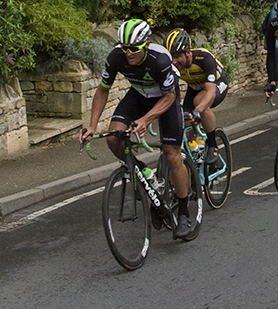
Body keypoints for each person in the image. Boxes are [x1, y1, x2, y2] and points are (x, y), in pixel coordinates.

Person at [80, 19, 193, 240]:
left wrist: (146, 120)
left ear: (146, 44)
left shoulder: (160, 60)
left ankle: (185, 213)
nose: (128, 53)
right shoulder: (116, 57)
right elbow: (103, 90)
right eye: (124, 48)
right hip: (139, 95)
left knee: (171, 155)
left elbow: (170, 96)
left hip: (164, 99)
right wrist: (92, 126)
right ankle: (143, 172)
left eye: (133, 48)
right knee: (114, 138)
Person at [165, 29, 228, 167]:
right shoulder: (172, 65)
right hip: (194, 88)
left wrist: (198, 109)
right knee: (187, 126)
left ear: (188, 52)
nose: (173, 61)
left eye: (177, 56)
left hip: (216, 84)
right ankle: (196, 162)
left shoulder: (203, 58)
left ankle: (213, 146)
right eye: (170, 57)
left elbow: (210, 91)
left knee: (201, 103)